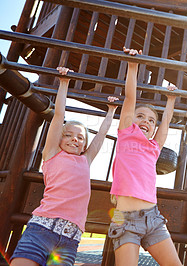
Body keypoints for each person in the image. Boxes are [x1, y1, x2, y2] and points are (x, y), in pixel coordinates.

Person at [10, 67, 118, 266]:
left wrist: (111, 111)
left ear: (84, 145)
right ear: (59, 139)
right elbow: (58, 117)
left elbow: (101, 135)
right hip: (41, 230)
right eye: (68, 135)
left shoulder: (86, 160)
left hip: (69, 239)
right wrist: (64, 84)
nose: (74, 140)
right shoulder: (52, 154)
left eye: (80, 138)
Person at [108, 47, 182, 266]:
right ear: (132, 120)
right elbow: (130, 98)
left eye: (151, 120)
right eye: (141, 116)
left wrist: (171, 99)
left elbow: (165, 122)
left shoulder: (154, 147)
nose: (146, 121)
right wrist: (133, 65)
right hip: (125, 220)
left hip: (153, 217)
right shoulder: (126, 134)